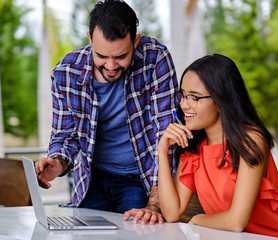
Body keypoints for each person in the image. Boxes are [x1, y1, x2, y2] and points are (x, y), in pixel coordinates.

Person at [35, 0, 178, 225]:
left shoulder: (155, 59)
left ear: (136, 41)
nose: (111, 66)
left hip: (140, 179)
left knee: (141, 231)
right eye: (101, 55)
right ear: (90, 39)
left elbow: (165, 134)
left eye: (121, 56)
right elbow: (65, 136)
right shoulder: (66, 72)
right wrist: (57, 163)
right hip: (91, 179)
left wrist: (155, 203)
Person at [158, 54, 278, 239]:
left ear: (220, 100)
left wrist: (197, 220)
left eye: (194, 98)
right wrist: (162, 151)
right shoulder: (194, 148)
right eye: (183, 95)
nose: (184, 105)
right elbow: (172, 213)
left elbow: (236, 222)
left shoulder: (251, 140)